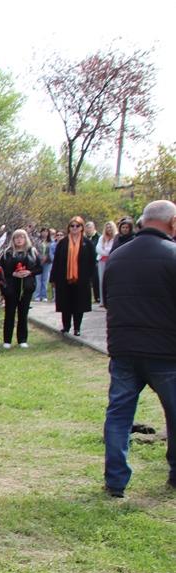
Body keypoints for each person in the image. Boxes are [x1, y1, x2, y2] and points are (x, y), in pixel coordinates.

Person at [101, 200, 176, 497]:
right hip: (165, 352)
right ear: (171, 222)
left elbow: (106, 300)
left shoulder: (118, 257)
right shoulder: (172, 256)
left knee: (119, 415)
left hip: (124, 350)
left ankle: (115, 481)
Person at [49, 216, 96, 336]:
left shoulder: (87, 243)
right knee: (65, 303)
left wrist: (91, 278)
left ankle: (77, 328)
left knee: (79, 304)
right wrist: (53, 278)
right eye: (72, 226)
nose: (74, 228)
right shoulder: (63, 243)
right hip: (64, 278)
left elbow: (92, 262)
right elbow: (56, 262)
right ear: (68, 227)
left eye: (77, 226)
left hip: (81, 279)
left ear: (82, 227)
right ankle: (66, 326)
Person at [0, 229, 42, 348]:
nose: (19, 240)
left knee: (23, 313)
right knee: (10, 313)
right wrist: (12, 274)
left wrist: (29, 272)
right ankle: (7, 340)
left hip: (26, 286)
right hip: (12, 287)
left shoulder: (31, 251)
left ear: (25, 239)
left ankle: (22, 339)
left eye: (21, 237)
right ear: (13, 239)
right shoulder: (7, 252)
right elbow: (1, 269)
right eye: (16, 237)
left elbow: (39, 268)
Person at [96, 221, 117, 304]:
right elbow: (98, 249)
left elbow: (113, 248)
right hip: (102, 260)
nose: (109, 229)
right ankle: (102, 300)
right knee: (102, 280)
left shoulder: (116, 237)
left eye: (110, 227)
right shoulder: (102, 238)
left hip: (112, 260)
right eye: (107, 227)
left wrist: (108, 252)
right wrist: (106, 252)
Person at [85, 221, 101, 304]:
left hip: (96, 262)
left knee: (96, 280)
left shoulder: (99, 237)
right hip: (86, 263)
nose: (88, 230)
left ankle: (97, 297)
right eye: (87, 228)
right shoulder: (85, 238)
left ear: (93, 228)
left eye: (89, 228)